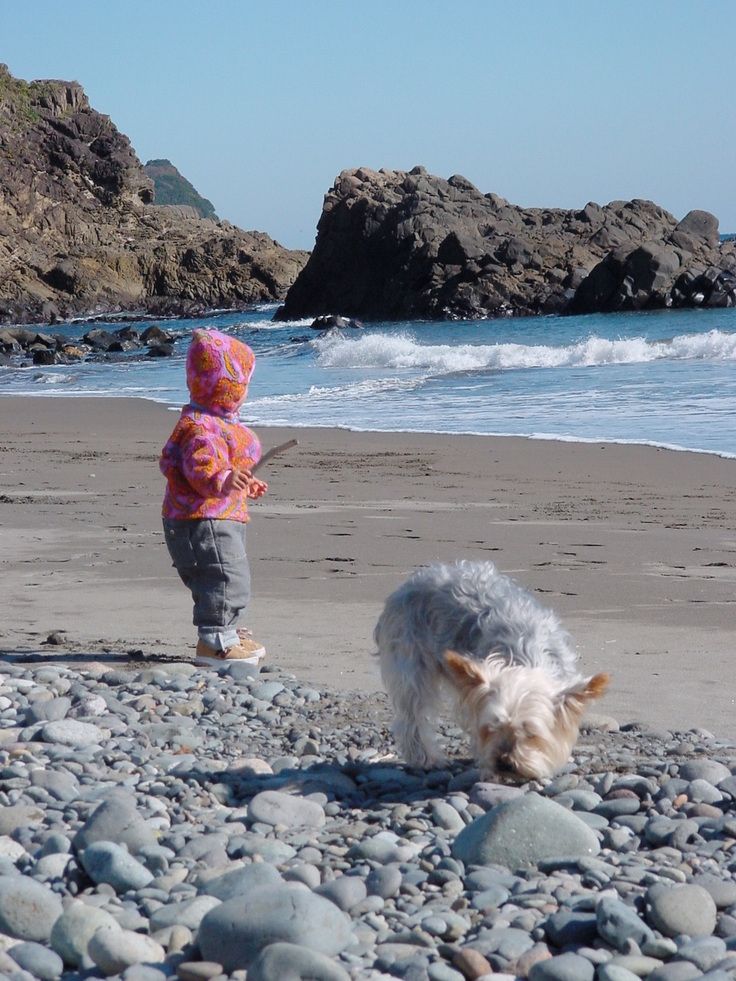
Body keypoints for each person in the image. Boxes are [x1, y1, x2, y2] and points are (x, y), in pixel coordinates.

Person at [160, 328, 268, 667]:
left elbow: (224, 466)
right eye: (242, 384)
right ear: (226, 386)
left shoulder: (214, 423)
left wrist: (241, 482)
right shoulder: (199, 429)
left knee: (227, 573)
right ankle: (215, 642)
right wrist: (223, 479)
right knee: (223, 576)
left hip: (215, 517)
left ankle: (227, 630)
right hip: (200, 519)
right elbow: (200, 469)